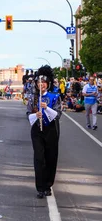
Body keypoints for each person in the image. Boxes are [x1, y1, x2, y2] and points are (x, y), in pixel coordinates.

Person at [27, 65, 62, 199]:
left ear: (48, 84)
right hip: (37, 130)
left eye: (43, 82)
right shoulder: (33, 98)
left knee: (51, 157)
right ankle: (40, 187)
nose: (41, 85)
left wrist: (46, 108)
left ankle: (48, 185)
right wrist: (36, 115)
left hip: (51, 130)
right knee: (39, 158)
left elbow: (58, 114)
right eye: (39, 82)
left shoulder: (55, 97)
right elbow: (28, 114)